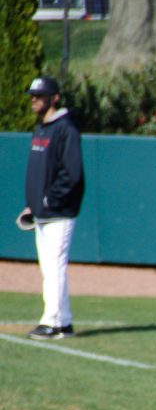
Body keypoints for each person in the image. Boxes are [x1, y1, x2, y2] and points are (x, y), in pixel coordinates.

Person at [22, 75, 85, 341]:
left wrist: (49, 200)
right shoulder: (41, 129)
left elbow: (73, 175)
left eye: (39, 95)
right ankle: (65, 321)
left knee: (54, 267)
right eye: (32, 95)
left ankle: (53, 322)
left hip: (59, 213)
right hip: (41, 212)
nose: (34, 99)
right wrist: (31, 204)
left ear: (54, 97)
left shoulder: (65, 129)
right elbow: (39, 174)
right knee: (49, 268)